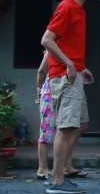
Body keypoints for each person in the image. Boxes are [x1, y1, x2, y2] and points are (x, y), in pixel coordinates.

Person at [40, 0, 96, 194]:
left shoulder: (78, 9)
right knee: (66, 127)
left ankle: (58, 173)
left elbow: (66, 44)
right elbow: (47, 40)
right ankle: (57, 180)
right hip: (65, 76)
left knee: (80, 124)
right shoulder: (67, 8)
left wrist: (80, 67)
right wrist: (70, 64)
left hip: (73, 73)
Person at [34, 51, 85, 182]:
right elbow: (41, 71)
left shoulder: (67, 51)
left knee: (66, 129)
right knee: (46, 132)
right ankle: (42, 168)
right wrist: (39, 89)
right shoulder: (51, 51)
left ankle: (66, 166)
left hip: (64, 90)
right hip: (50, 91)